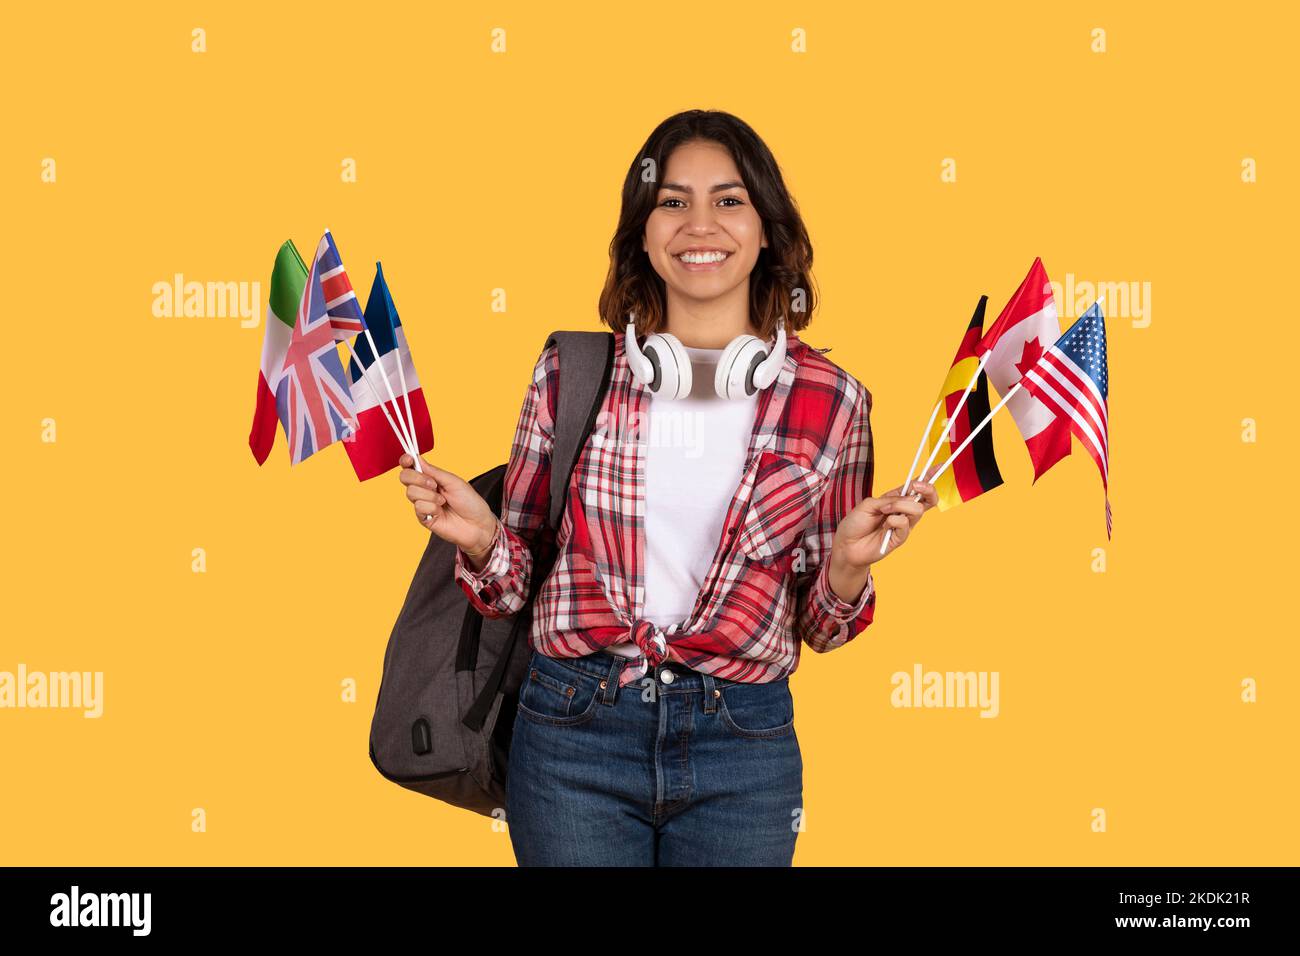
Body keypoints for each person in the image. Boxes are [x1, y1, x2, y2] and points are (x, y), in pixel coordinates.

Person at [398, 109, 938, 866]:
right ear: (643, 235)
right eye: (672, 201)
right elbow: (512, 589)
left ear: (766, 230)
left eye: (728, 200)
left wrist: (848, 566)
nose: (699, 224)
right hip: (572, 733)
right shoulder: (573, 374)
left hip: (743, 745)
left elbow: (823, 629)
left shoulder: (833, 401)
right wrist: (484, 539)